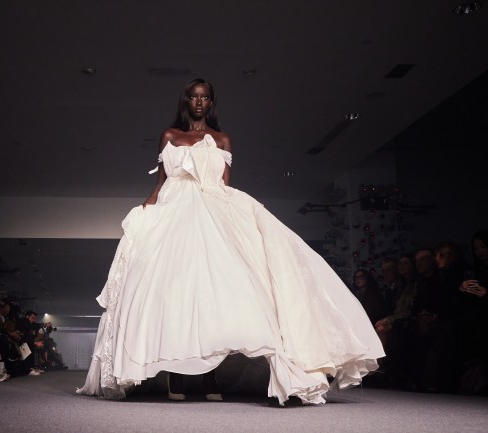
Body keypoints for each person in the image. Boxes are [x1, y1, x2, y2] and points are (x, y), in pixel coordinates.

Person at [77, 78, 384, 405]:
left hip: (212, 211)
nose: (199, 102)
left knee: (222, 293)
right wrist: (146, 208)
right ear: (186, 100)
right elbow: (162, 181)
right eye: (194, 97)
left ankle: (226, 376)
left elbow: (224, 184)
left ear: (211, 102)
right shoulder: (169, 136)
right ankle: (175, 378)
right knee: (172, 293)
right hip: (173, 214)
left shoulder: (222, 139)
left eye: (205, 97)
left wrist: (239, 217)